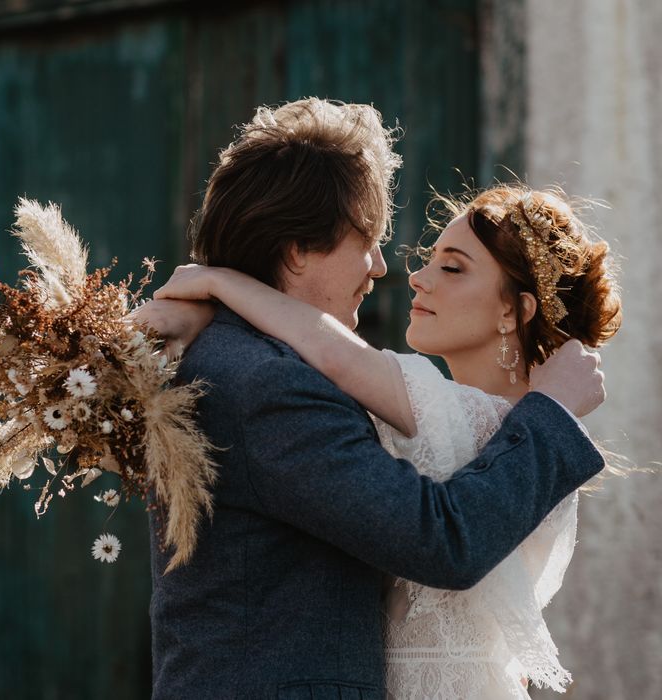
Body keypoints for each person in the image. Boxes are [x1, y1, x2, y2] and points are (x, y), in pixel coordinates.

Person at [133, 98, 607, 699]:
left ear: (516, 310)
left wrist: (220, 290)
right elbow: (442, 539)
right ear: (300, 248)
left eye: (453, 267)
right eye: (371, 240)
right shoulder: (270, 382)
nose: (389, 269)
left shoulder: (247, 362)